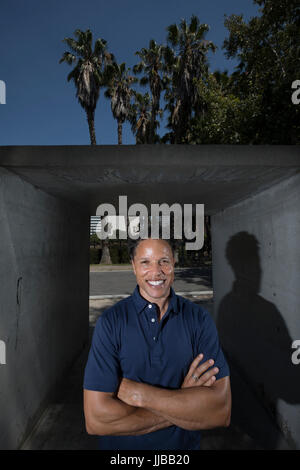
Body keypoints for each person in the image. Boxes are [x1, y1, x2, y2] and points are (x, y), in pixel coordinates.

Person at [83, 237, 231, 450]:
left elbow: (220, 411)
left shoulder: (198, 319)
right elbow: (96, 421)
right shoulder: (110, 323)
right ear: (133, 266)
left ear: (174, 263)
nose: (156, 271)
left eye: (164, 261)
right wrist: (184, 400)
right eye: (145, 262)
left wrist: (140, 395)